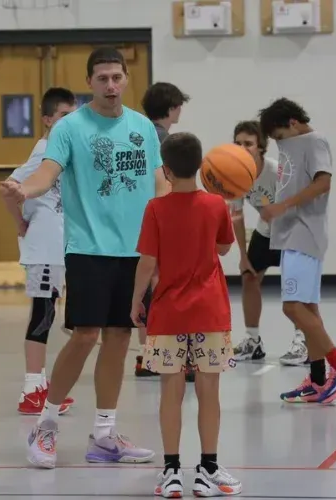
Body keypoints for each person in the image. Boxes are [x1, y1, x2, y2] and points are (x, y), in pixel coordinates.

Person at [0, 46, 171, 469]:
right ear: (90, 82)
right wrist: (24, 190)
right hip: (88, 248)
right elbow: (47, 174)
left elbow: (159, 183)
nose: (111, 85)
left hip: (135, 252)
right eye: (102, 79)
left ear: (126, 78)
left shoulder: (143, 127)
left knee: (119, 337)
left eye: (117, 77)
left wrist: (177, 219)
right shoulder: (70, 128)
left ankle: (104, 435)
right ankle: (46, 425)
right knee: (85, 335)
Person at [131, 131, 243, 498]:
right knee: (209, 390)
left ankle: (171, 470)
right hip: (210, 312)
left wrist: (136, 300)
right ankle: (208, 469)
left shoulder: (155, 208)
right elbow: (224, 248)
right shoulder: (216, 205)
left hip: (168, 314)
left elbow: (147, 262)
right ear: (200, 166)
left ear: (165, 169)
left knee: (170, 391)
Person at [256, 97, 336, 404]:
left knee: (292, 308)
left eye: (279, 136)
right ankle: (317, 380)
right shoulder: (291, 144)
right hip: (292, 234)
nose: (278, 143)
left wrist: (283, 206)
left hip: (303, 234)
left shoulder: (315, 141)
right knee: (309, 310)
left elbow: (323, 183)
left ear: (293, 123)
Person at [3, 87, 79, 416]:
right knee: (43, 315)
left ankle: (40, 386)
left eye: (73, 115)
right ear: (48, 119)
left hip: (57, 247)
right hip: (45, 247)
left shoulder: (60, 150)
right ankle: (31, 389)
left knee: (48, 314)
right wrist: (20, 223)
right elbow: (8, 188)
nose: (70, 121)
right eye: (63, 115)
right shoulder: (44, 151)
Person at [227, 120, 307, 365]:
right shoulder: (235, 175)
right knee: (249, 278)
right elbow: (237, 216)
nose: (242, 148)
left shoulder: (276, 171)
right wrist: (242, 256)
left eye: (248, 143)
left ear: (261, 147)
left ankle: (302, 340)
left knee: (294, 286)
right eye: (238, 143)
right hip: (265, 233)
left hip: (292, 231)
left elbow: (298, 204)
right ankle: (253, 341)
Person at [136, 81, 191, 379]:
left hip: (138, 218)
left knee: (148, 286)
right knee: (162, 287)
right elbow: (169, 185)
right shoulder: (165, 142)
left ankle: (147, 355)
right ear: (172, 108)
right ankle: (163, 355)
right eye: (179, 105)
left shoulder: (139, 134)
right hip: (160, 218)